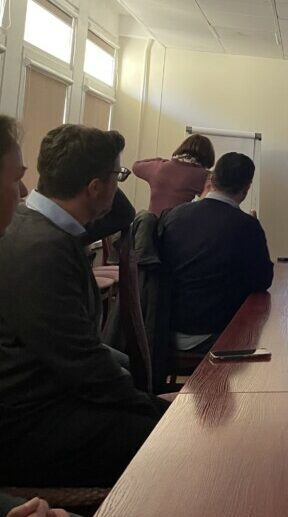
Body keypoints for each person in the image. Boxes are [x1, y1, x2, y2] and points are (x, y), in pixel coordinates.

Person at [0, 124, 167, 488]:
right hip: (28, 422)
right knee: (168, 441)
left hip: (44, 394)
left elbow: (120, 212)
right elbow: (81, 364)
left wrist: (105, 174)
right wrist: (153, 407)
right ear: (94, 187)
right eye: (117, 177)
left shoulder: (38, 222)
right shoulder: (42, 250)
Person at [159, 152, 273, 354]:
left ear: (211, 179)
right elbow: (262, 281)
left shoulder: (174, 215)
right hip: (213, 334)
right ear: (246, 188)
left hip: (164, 330)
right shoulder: (246, 226)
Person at [131, 134, 215, 215]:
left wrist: (160, 160)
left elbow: (136, 166)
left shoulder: (159, 167)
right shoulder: (205, 176)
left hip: (152, 223)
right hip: (180, 223)